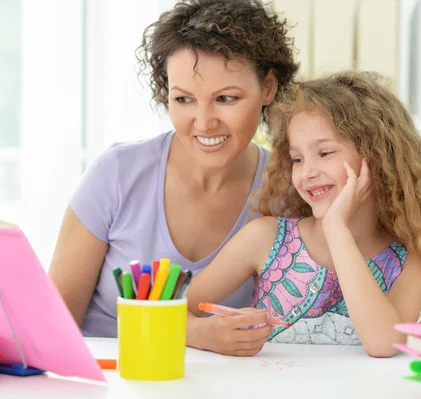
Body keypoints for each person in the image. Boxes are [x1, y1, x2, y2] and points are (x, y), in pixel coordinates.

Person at [48, 0, 299, 354]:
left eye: (226, 98)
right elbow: (53, 326)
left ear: (269, 88)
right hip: (111, 376)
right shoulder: (117, 174)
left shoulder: (290, 192)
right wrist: (192, 333)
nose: (203, 122)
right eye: (184, 100)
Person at [185, 71, 421, 357]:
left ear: (378, 157)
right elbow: (168, 309)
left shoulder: (412, 259)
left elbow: (383, 344)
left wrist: (337, 230)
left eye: (325, 153)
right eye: (298, 159)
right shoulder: (265, 238)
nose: (307, 173)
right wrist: (205, 335)